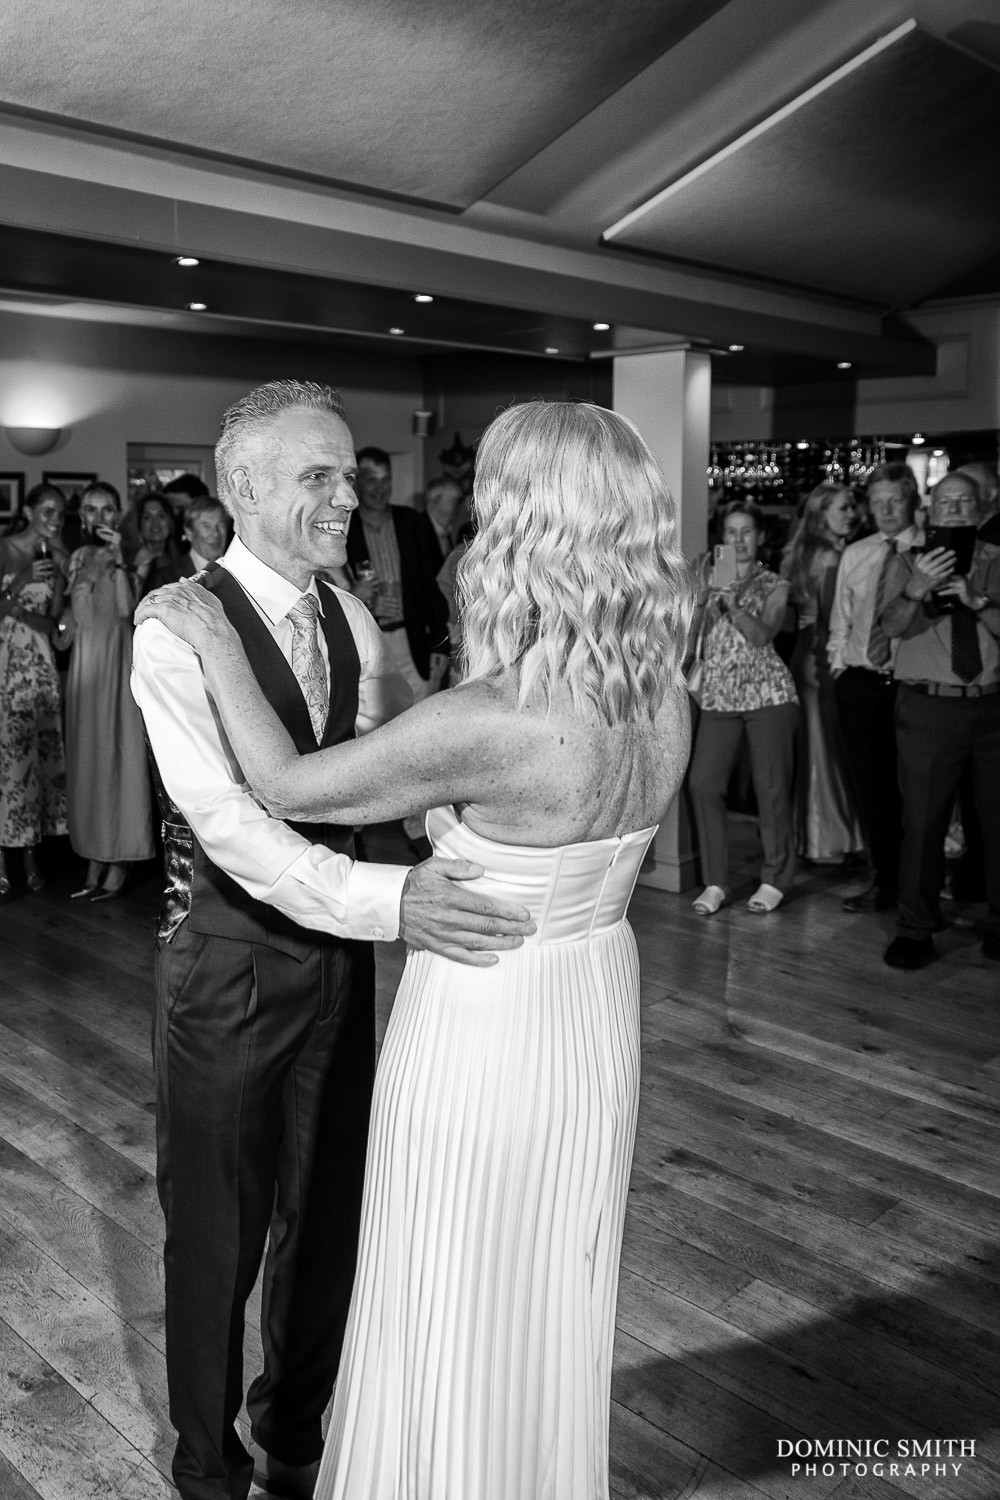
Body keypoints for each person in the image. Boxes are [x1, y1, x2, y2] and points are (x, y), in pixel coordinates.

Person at [136, 397, 693, 1500]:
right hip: (283, 963)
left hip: (456, 995)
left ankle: (310, 1437)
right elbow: (241, 826)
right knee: (224, 1226)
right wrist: (393, 895)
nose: (354, 496)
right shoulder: (659, 690)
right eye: (322, 477)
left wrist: (390, 894)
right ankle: (211, 1468)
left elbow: (325, 776)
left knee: (357, 1228)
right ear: (240, 488)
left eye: (353, 473)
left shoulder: (373, 633)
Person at [880, 471, 1000, 968]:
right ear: (929, 509)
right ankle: (916, 929)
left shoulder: (997, 561)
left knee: (998, 825)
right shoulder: (905, 561)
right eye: (945, 502)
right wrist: (915, 590)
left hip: (993, 706)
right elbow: (889, 627)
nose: (954, 511)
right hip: (928, 709)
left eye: (964, 502)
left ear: (982, 508)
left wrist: (979, 602)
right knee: (924, 822)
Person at [688, 500, 799, 914]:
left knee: (770, 789)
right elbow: (690, 635)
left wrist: (733, 603)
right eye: (730, 532)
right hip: (719, 694)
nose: (738, 540)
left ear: (761, 536)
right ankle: (715, 881)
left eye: (746, 531)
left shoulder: (774, 584)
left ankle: (776, 879)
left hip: (768, 695)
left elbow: (761, 636)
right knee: (703, 784)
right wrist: (702, 598)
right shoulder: (710, 576)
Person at [828, 463, 922, 912]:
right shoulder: (857, 552)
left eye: (895, 500)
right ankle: (885, 881)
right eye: (877, 501)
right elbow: (840, 623)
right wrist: (839, 668)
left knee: (917, 792)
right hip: (860, 684)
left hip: (911, 687)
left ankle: (921, 887)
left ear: (913, 500)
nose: (885, 509)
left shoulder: (929, 551)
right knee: (872, 790)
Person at [65, 482, 155, 900]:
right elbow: (78, 619)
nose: (98, 518)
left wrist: (119, 561)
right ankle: (94, 854)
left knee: (118, 760)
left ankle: (119, 858)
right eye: (91, 510)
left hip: (119, 668)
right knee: (89, 761)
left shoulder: (136, 556)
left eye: (106, 510)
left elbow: (126, 611)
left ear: (117, 514)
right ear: (82, 515)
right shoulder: (78, 557)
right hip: (86, 669)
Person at [780, 482, 864, 864]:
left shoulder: (801, 552)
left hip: (804, 648)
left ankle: (819, 837)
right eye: (844, 508)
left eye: (852, 507)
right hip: (822, 651)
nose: (853, 513)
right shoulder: (831, 555)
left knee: (817, 743)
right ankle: (831, 839)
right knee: (828, 745)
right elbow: (835, 618)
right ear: (821, 515)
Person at [0, 484, 68, 895]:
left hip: (39, 670)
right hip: (3, 667)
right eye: (47, 510)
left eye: (60, 512)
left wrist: (24, 605)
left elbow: (52, 624)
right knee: (4, 761)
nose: (54, 519)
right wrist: (21, 580)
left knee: (32, 764)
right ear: (28, 511)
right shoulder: (4, 549)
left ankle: (29, 853)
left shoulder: (58, 558)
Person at [345, 446, 450, 703]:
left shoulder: (412, 522)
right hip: (367, 644)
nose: (380, 488)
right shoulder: (345, 527)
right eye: (372, 480)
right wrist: (362, 600)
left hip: (411, 641)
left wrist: (440, 643)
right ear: (358, 483)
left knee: (417, 717)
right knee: (375, 722)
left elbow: (430, 586)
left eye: (386, 479)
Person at [141, 494, 230, 594]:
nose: (215, 534)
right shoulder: (166, 578)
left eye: (221, 525)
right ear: (189, 532)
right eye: (206, 527)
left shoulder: (238, 572)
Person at [129, 490, 180, 599]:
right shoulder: (135, 563)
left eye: (161, 516)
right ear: (139, 524)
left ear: (169, 521)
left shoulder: (179, 557)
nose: (155, 522)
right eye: (147, 517)